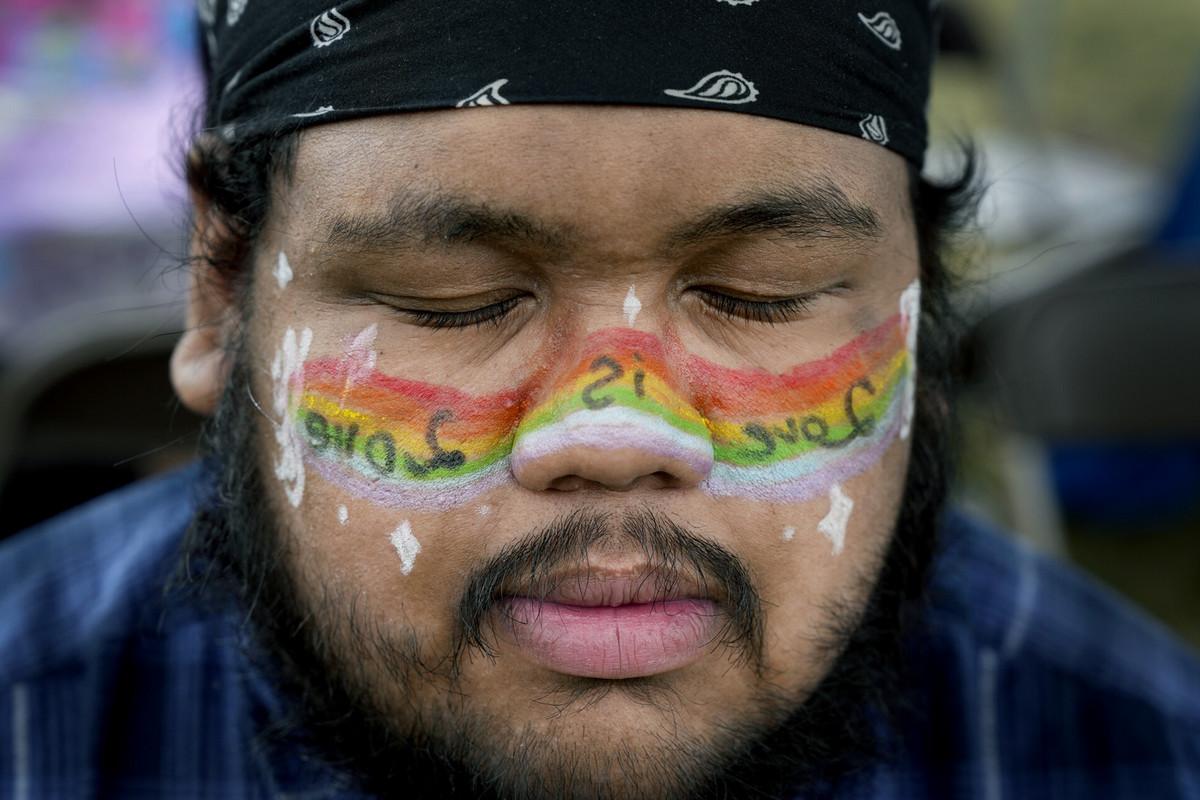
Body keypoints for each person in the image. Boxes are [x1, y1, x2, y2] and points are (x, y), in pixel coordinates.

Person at [1, 2, 1198, 798]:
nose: (619, 433)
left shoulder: (1128, 748)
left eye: (759, 293)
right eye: (457, 299)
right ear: (223, 297)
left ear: (921, 305)